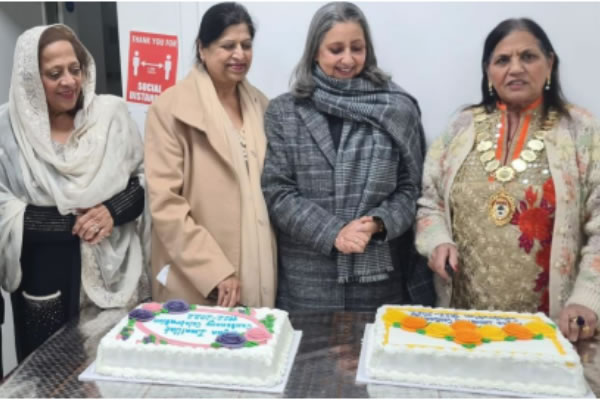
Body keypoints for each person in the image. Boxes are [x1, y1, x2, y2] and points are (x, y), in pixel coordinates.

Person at [416, 18, 600, 342]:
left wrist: (587, 297)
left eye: (528, 57)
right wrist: (437, 241)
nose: (515, 68)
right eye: (503, 60)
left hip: (554, 328)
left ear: (550, 63)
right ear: (488, 71)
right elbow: (429, 202)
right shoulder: (461, 128)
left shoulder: (581, 131)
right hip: (464, 323)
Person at [261, 2, 434, 311]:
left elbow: (411, 191)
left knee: (373, 358)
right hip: (308, 285)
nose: (348, 59)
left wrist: (379, 223)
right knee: (304, 360)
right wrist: (334, 232)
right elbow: (278, 192)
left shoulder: (396, 109)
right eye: (335, 49)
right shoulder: (285, 112)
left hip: (379, 285)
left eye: (357, 48)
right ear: (315, 51)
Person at [0, 24, 149, 362]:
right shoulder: (7, 131)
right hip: (45, 283)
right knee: (49, 379)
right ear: (30, 79)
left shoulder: (110, 116)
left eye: (75, 69)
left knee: (118, 377)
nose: (68, 81)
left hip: (116, 277)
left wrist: (111, 211)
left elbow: (139, 185)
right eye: (54, 74)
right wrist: (76, 223)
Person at [145, 2, 276, 308]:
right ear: (202, 49)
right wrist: (213, 270)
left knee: (260, 347)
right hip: (202, 277)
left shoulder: (263, 106)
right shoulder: (170, 109)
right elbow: (166, 205)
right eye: (227, 46)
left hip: (262, 265)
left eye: (246, 45)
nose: (239, 55)